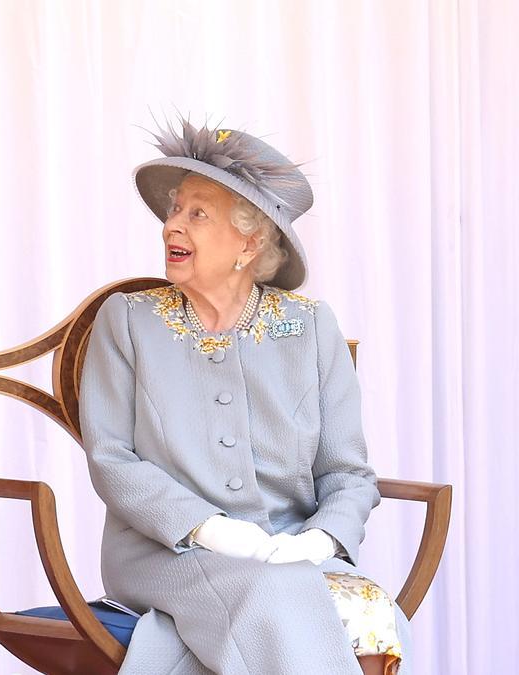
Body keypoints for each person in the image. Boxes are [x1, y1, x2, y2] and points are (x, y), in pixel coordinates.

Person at [79, 119, 409, 674]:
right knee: (271, 601)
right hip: (166, 551)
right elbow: (112, 460)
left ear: (250, 241)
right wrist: (209, 528)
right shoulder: (129, 321)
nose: (170, 227)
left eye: (196, 214)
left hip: (290, 552)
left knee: (374, 614)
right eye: (173, 211)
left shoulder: (310, 327)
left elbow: (348, 472)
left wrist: (321, 541)